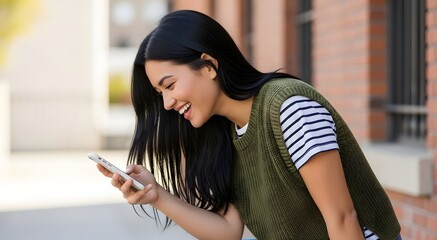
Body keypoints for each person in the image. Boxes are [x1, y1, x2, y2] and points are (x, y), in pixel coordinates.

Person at [97, 10, 401, 240]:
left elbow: (342, 219)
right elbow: (228, 231)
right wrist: (157, 196)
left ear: (208, 66)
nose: (167, 103)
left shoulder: (289, 108)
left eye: (171, 85)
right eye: (160, 93)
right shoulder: (225, 134)